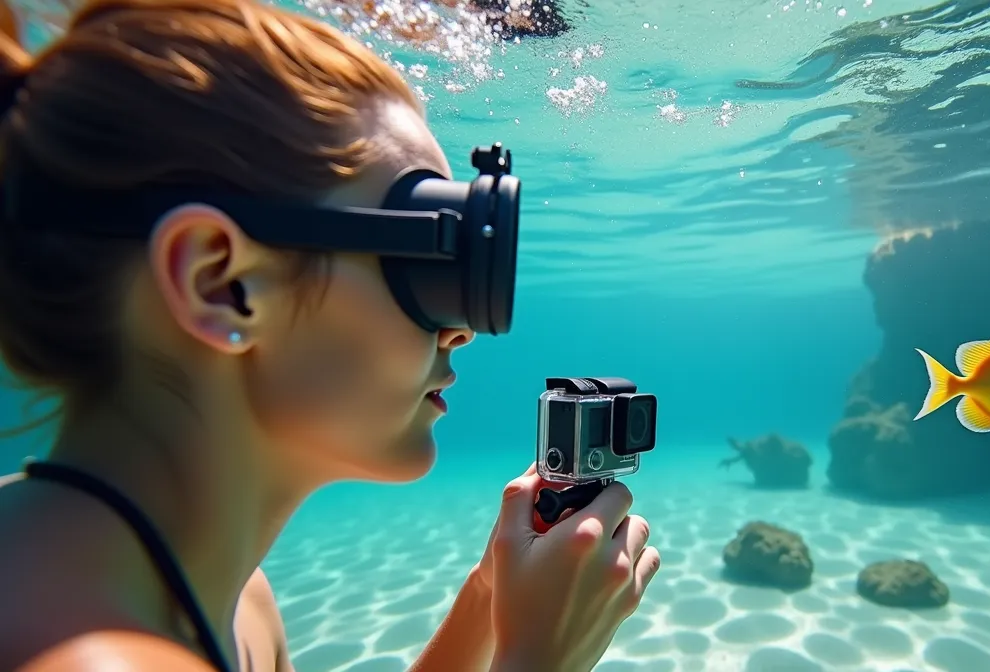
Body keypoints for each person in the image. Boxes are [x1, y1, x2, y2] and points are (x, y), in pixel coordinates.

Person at [0, 1, 658, 671]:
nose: (461, 330)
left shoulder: (229, 600)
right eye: (429, 267)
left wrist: (489, 600)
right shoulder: (90, 658)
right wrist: (537, 661)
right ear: (220, 283)